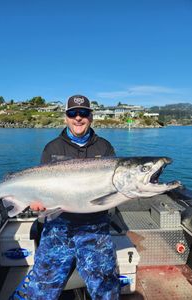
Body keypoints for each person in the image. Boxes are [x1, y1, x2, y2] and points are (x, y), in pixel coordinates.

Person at [27, 95, 119, 300]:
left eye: (83, 113)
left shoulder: (104, 148)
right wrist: (36, 202)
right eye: (72, 113)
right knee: (41, 289)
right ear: (65, 117)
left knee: (107, 289)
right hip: (58, 227)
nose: (78, 118)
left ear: (91, 117)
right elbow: (40, 187)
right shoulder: (52, 148)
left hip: (95, 228)